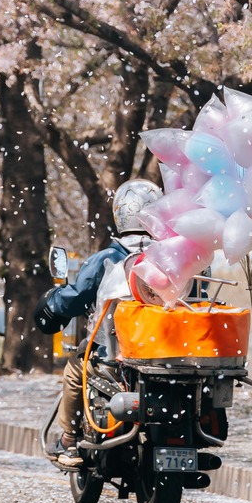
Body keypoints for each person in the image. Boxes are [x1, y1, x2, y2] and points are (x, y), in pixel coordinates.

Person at [33, 179, 162, 468]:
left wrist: (51, 304)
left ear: (121, 213)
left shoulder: (109, 258)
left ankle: (69, 442)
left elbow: (74, 299)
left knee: (75, 369)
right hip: (169, 355)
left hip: (116, 356)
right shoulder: (178, 256)